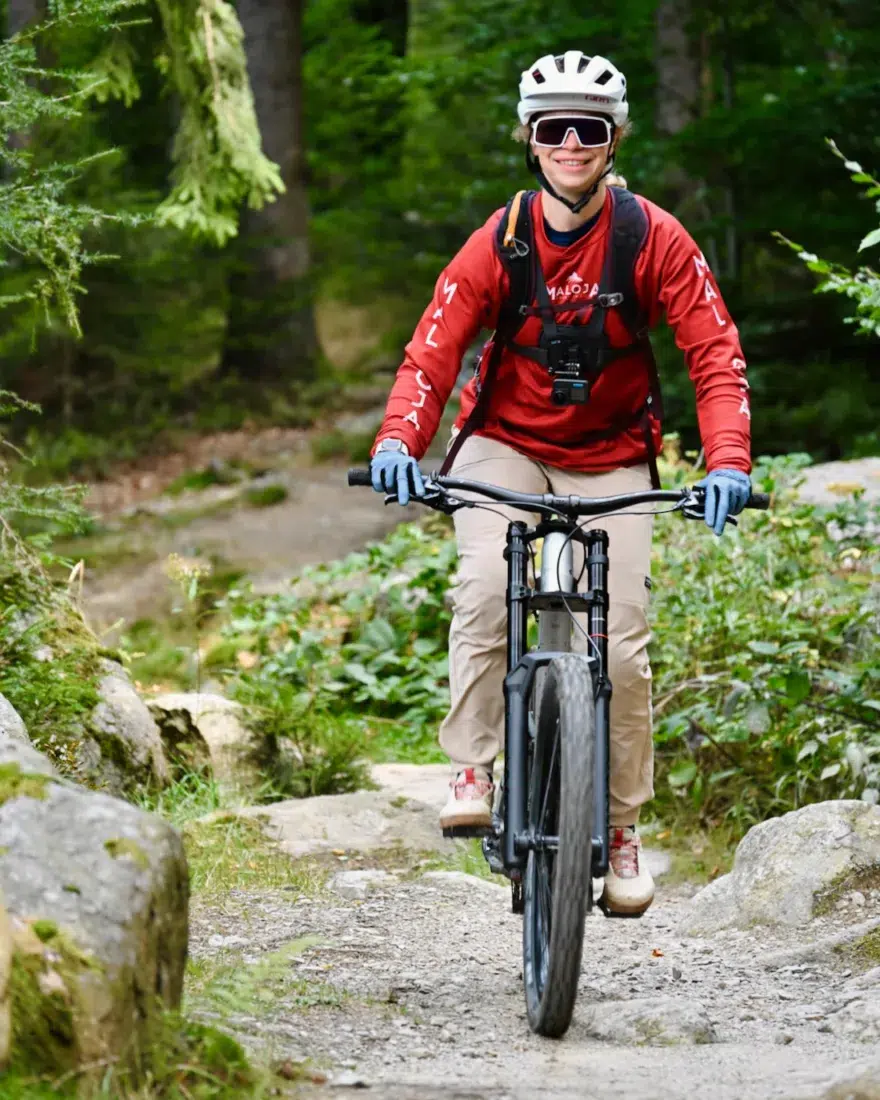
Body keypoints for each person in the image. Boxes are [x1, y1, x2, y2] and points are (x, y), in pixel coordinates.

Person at [368, 50, 751, 915]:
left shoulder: (652, 237)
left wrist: (727, 461)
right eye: (553, 128)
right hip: (503, 444)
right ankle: (472, 762)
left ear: (614, 140)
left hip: (613, 454)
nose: (572, 142)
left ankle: (619, 831)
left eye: (589, 127)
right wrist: (399, 440)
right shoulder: (499, 240)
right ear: (530, 142)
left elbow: (715, 357)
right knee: (477, 587)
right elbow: (432, 353)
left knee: (621, 642)